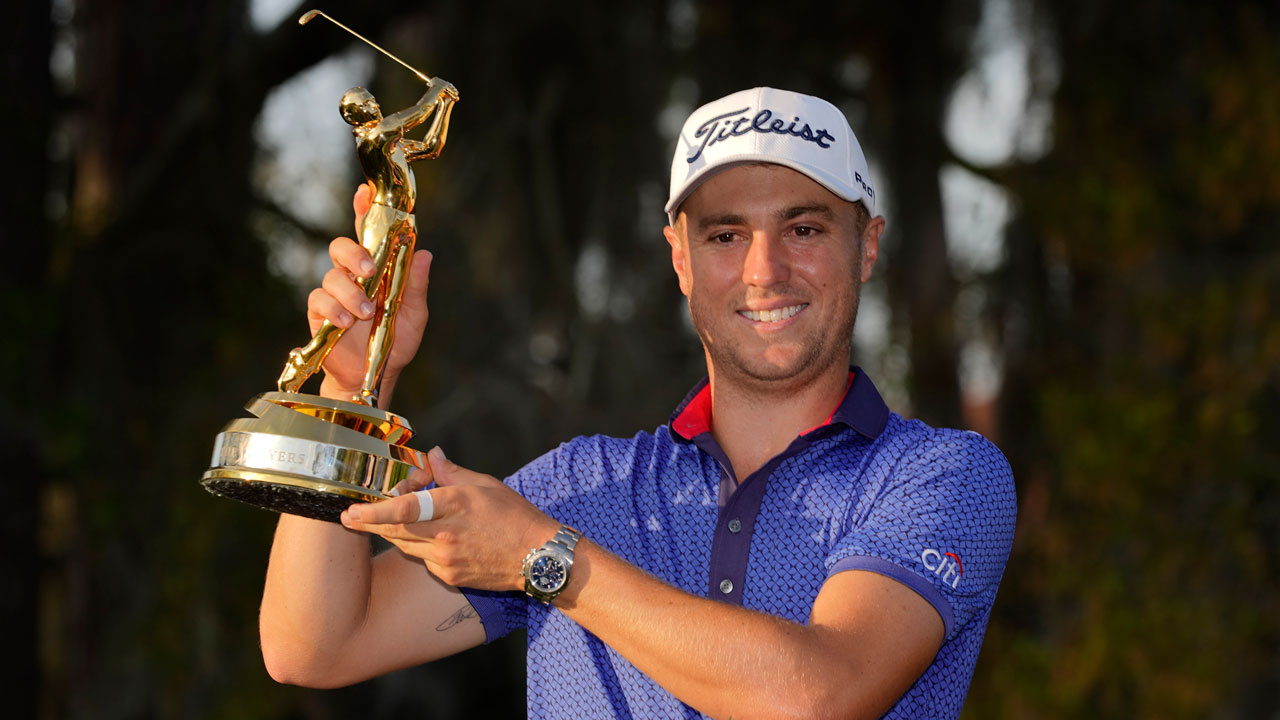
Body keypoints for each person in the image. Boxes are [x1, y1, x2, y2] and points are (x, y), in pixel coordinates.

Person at [259, 86, 1016, 719]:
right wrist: (353, 390)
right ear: (680, 258)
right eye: (725, 235)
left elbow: (816, 695)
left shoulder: (941, 475)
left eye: (805, 227)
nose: (766, 269)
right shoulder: (579, 489)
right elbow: (314, 645)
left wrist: (544, 559)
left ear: (869, 245)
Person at [276, 78, 459, 405]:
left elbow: (432, 147)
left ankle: (368, 389)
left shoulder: (392, 143)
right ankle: (307, 357)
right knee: (362, 296)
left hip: (405, 222)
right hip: (384, 218)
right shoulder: (375, 137)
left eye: (372, 99)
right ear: (355, 116)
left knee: (388, 310)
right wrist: (437, 91)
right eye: (365, 103)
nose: (373, 104)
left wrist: (445, 106)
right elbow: (416, 113)